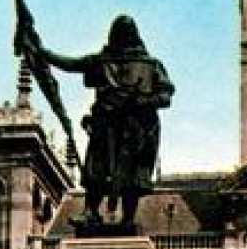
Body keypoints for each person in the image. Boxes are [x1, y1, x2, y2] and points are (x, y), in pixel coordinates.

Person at [37, 16, 173, 227]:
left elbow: (165, 97)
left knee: (132, 176)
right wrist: (42, 53)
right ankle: (91, 212)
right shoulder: (102, 61)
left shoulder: (150, 65)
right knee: (96, 171)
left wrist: (142, 101)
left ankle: (128, 219)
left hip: (134, 130)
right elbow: (70, 64)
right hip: (106, 126)